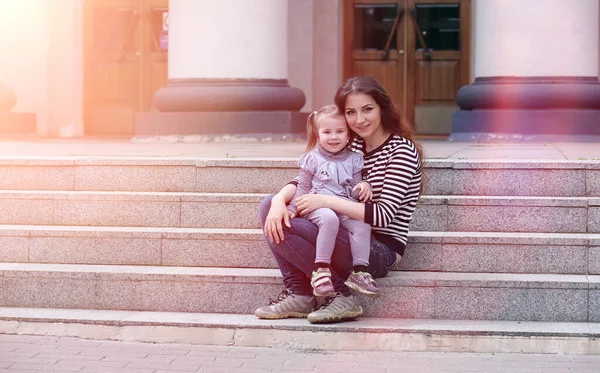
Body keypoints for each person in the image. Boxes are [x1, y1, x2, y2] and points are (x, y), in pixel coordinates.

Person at [255, 76, 423, 324]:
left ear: (382, 109)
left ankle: (341, 295)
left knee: (289, 225)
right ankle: (300, 294)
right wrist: (280, 200)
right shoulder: (352, 143)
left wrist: (325, 201)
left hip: (375, 251)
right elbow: (307, 180)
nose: (360, 120)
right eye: (351, 112)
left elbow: (383, 215)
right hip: (342, 230)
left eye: (368, 109)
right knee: (269, 207)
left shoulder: (400, 151)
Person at [286, 104, 381, 298]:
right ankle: (321, 269)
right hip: (316, 204)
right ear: (317, 133)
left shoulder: (355, 159)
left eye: (340, 131)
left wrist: (363, 186)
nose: (334, 137)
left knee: (362, 224)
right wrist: (291, 208)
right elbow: (302, 186)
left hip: (342, 203)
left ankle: (360, 271)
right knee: (329, 219)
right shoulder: (312, 158)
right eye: (327, 132)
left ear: (349, 135)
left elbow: (353, 191)